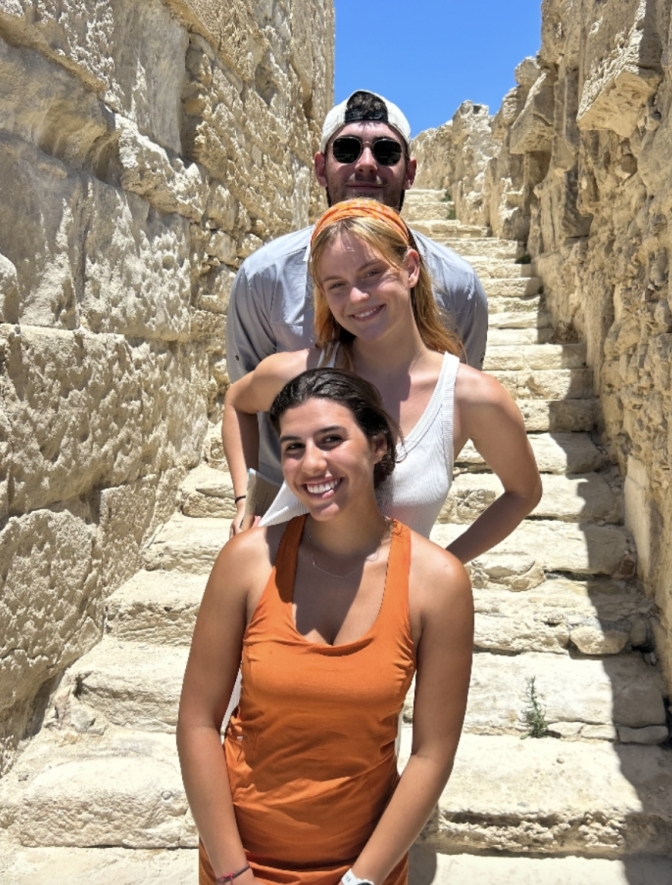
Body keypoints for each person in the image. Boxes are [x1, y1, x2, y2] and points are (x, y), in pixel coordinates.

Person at [177, 369, 474, 885]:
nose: (312, 463)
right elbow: (198, 723)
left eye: (331, 439)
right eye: (293, 447)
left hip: (363, 865)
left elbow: (432, 753)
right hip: (239, 859)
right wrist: (232, 873)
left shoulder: (436, 582)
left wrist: (362, 880)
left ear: (378, 445)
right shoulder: (247, 562)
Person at [223, 199, 542, 564]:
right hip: (277, 595)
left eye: (372, 273)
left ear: (410, 268)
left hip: (391, 612)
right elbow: (237, 402)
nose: (357, 297)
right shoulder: (301, 372)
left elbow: (524, 491)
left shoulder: (468, 396)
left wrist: (442, 567)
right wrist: (244, 499)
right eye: (337, 284)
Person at [226, 89, 489, 486]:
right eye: (347, 150)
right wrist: (248, 501)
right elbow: (246, 396)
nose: (366, 164)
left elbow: (454, 405)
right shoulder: (265, 277)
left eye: (385, 152)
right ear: (320, 168)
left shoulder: (458, 285)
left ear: (411, 171)